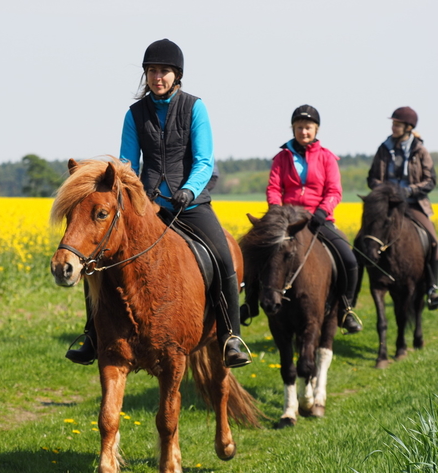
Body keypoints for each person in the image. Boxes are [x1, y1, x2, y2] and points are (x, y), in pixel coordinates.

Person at [65, 39, 251, 368]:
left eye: (163, 71)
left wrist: (189, 190)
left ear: (176, 75)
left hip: (190, 204)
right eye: (152, 71)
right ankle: (92, 334)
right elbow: (125, 163)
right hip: (146, 205)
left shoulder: (195, 108)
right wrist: (135, 195)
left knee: (223, 256)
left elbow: (205, 160)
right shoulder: (134, 114)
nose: (157, 77)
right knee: (99, 260)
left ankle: (230, 336)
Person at [262, 105, 362, 334]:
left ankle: (346, 309)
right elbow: (273, 188)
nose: (303, 132)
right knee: (260, 253)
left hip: (319, 219)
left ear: (316, 129)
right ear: (293, 128)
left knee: (349, 260)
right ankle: (250, 304)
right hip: (288, 220)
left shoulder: (327, 157)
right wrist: (277, 213)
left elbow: (334, 191)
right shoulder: (281, 157)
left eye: (308, 127)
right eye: (299, 127)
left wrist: (322, 211)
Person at [367, 107, 438, 309]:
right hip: (387, 204)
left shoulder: (420, 151)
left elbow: (430, 181)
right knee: (362, 238)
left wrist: (408, 191)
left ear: (408, 127)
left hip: (413, 203)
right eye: (393, 123)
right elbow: (372, 177)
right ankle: (351, 297)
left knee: (434, 242)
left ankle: (432, 287)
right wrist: (384, 191)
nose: (393, 127)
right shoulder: (383, 148)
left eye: (397, 124)